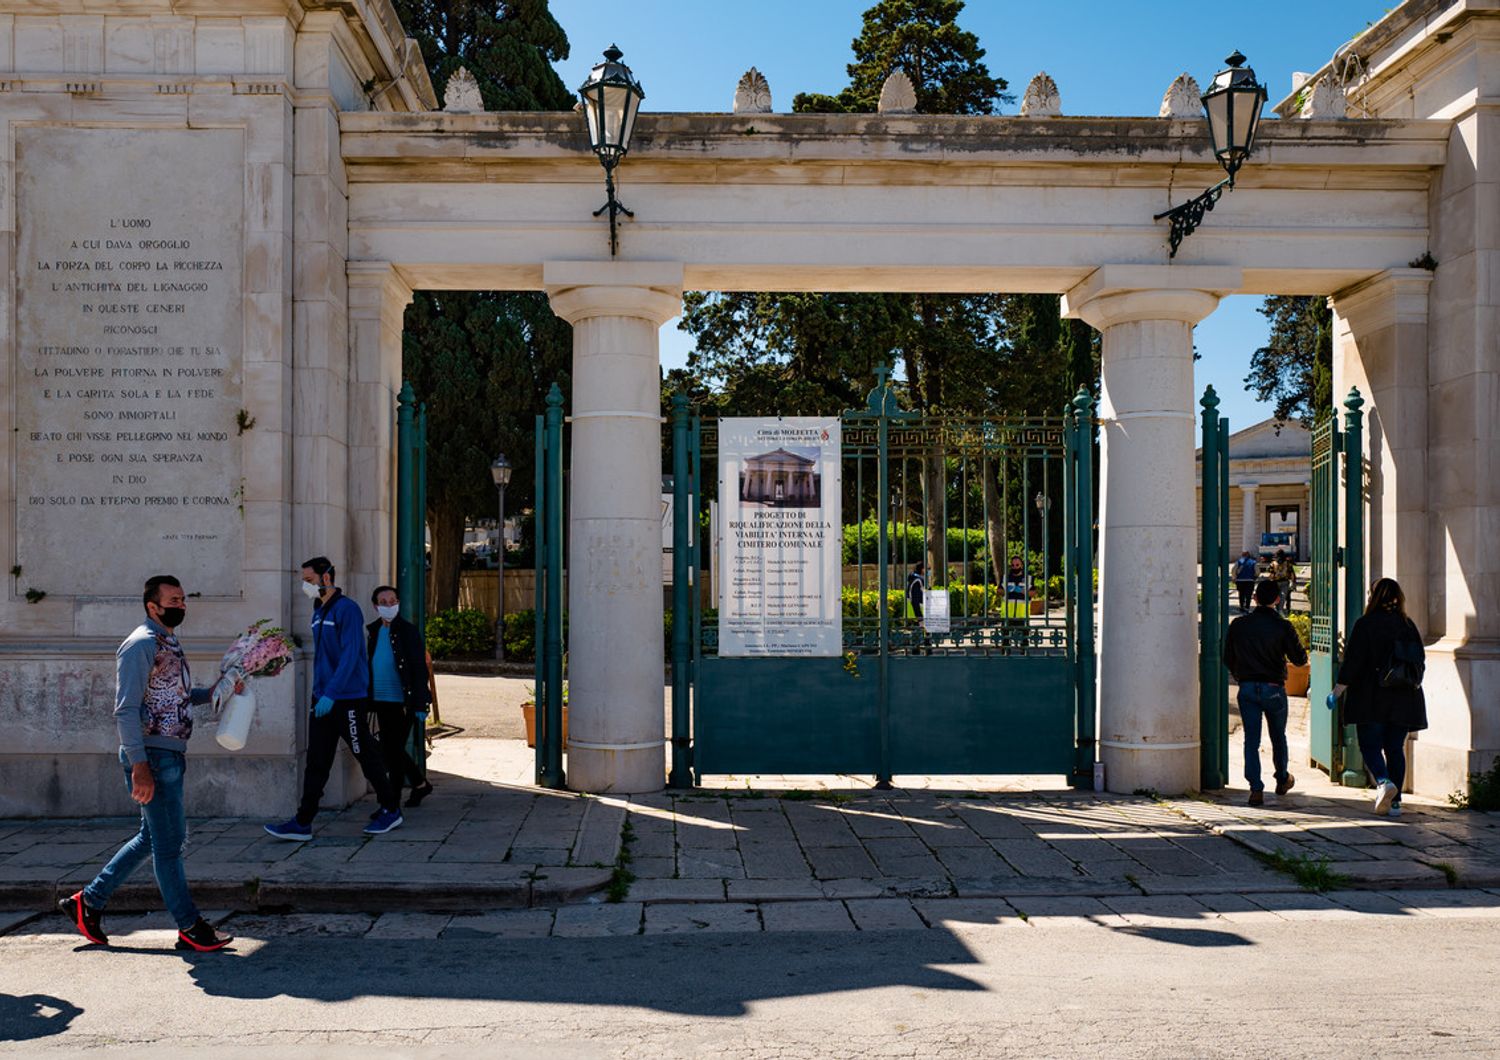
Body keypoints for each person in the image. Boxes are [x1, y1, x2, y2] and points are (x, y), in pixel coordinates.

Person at [60, 575, 235, 952]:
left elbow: (178, 698)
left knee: (151, 839)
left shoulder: (168, 641)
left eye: (184, 598)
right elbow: (125, 710)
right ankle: (190, 927)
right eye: (173, 599)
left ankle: (88, 901)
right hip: (153, 757)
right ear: (152, 606)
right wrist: (139, 765)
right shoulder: (140, 644)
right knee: (169, 845)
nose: (181, 605)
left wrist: (221, 689)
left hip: (169, 753)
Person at [264, 557, 402, 841]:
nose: (305, 585)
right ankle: (303, 822)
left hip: (347, 698)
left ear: (326, 578)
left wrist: (332, 692)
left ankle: (390, 809)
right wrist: (320, 694)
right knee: (317, 760)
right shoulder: (318, 610)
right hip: (323, 699)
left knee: (365, 753)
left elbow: (351, 655)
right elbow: (325, 658)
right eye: (304, 580)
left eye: (309, 580)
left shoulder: (347, 609)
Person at [1331, 578, 1426, 817]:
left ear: (1372, 596)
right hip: (1404, 697)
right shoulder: (1408, 625)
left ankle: (1384, 783)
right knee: (1395, 748)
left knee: (1370, 745)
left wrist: (1337, 691)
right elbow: (1419, 661)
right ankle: (1395, 804)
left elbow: (1353, 662)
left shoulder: (1366, 624)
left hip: (1371, 696)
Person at [1224, 579, 1308, 806]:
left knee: (1251, 739)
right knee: (1278, 736)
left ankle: (1255, 788)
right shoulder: (1283, 626)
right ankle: (1282, 778)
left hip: (1248, 686)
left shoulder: (1239, 625)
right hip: (1273, 687)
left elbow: (1227, 658)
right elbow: (1300, 660)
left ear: (1255, 598)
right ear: (1277, 599)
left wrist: (1241, 674)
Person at [367, 585, 433, 808]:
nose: (389, 606)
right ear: (376, 606)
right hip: (380, 700)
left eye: (393, 601)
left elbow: (418, 668)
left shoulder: (407, 631)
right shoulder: (373, 631)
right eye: (384, 602)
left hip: (402, 701)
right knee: (389, 750)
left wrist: (422, 702)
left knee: (392, 752)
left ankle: (391, 804)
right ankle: (419, 784)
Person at [1267, 549, 1297, 614]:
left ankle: (1277, 609)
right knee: (1284, 596)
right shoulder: (1287, 563)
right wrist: (1293, 582)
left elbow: (1270, 572)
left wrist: (1270, 581)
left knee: (1275, 596)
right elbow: (1292, 573)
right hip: (1285, 582)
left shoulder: (1273, 563)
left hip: (1275, 582)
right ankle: (1281, 609)